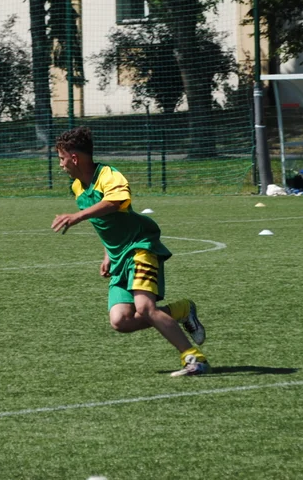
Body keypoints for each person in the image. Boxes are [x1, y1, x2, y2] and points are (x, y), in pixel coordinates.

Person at [49, 126, 210, 377]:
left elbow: (116, 202)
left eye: (61, 158)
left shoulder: (108, 175)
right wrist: (107, 253)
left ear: (74, 158)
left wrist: (78, 215)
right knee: (121, 321)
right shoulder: (78, 187)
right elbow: (106, 222)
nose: (60, 165)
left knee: (145, 308)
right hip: (119, 256)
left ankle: (193, 358)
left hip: (139, 246)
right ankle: (181, 310)